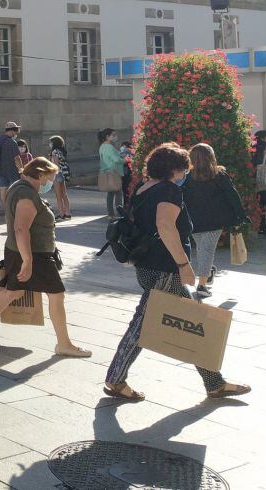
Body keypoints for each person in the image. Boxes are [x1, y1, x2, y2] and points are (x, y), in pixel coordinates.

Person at [104, 142, 249, 401]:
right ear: (173, 169)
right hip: (164, 268)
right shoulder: (169, 190)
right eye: (183, 169)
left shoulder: (143, 187)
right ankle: (115, 379)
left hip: (148, 265)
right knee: (143, 327)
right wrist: (184, 265)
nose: (185, 174)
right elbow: (166, 227)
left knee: (192, 321)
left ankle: (214, 382)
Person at [0, 157, 90, 357]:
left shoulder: (18, 186)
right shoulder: (26, 194)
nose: (50, 183)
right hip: (34, 254)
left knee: (13, 292)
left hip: (19, 251)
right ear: (40, 175)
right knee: (56, 295)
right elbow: (20, 228)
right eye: (50, 178)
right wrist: (28, 261)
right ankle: (64, 344)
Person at [183, 143, 246, 298]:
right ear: (211, 157)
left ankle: (207, 272)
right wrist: (240, 216)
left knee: (203, 249)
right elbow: (233, 196)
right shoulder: (219, 175)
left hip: (194, 221)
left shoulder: (186, 177)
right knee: (206, 250)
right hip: (215, 221)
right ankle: (202, 285)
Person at [98, 128, 126, 219]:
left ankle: (111, 213)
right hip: (113, 172)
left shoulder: (103, 146)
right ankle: (119, 212)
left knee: (111, 193)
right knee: (118, 192)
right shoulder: (109, 147)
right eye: (113, 135)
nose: (115, 137)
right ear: (107, 136)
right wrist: (126, 160)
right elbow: (116, 159)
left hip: (107, 171)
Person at [0, 121, 21, 204]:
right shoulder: (12, 142)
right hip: (12, 170)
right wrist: (21, 169)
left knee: (3, 190)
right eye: (15, 130)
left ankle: (6, 209)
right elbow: (17, 158)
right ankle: (15, 209)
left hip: (0, 170)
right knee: (16, 189)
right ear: (11, 130)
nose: (16, 133)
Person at [48, 135, 72, 221]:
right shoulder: (61, 151)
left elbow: (56, 164)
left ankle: (61, 214)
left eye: (51, 142)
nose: (49, 144)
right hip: (63, 173)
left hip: (57, 174)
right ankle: (67, 213)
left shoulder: (54, 151)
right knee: (64, 194)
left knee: (58, 195)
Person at [252, 130, 266, 235]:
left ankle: (261, 226)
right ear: (265, 137)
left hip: (257, 179)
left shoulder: (253, 146)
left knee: (260, 203)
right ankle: (264, 226)